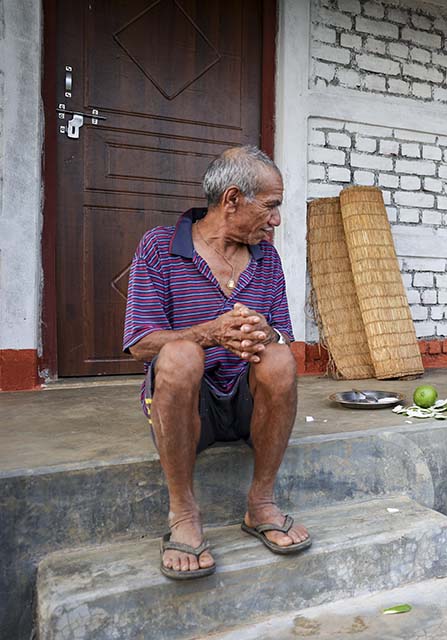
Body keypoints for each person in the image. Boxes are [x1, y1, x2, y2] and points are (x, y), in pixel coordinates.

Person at [123, 146, 310, 580]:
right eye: (271, 207)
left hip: (246, 408)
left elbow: (285, 338)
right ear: (232, 199)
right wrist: (210, 333)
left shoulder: (267, 259)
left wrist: (268, 333)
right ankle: (184, 512)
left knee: (279, 358)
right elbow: (140, 343)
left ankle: (260, 503)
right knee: (181, 355)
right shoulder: (159, 247)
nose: (277, 220)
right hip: (189, 409)